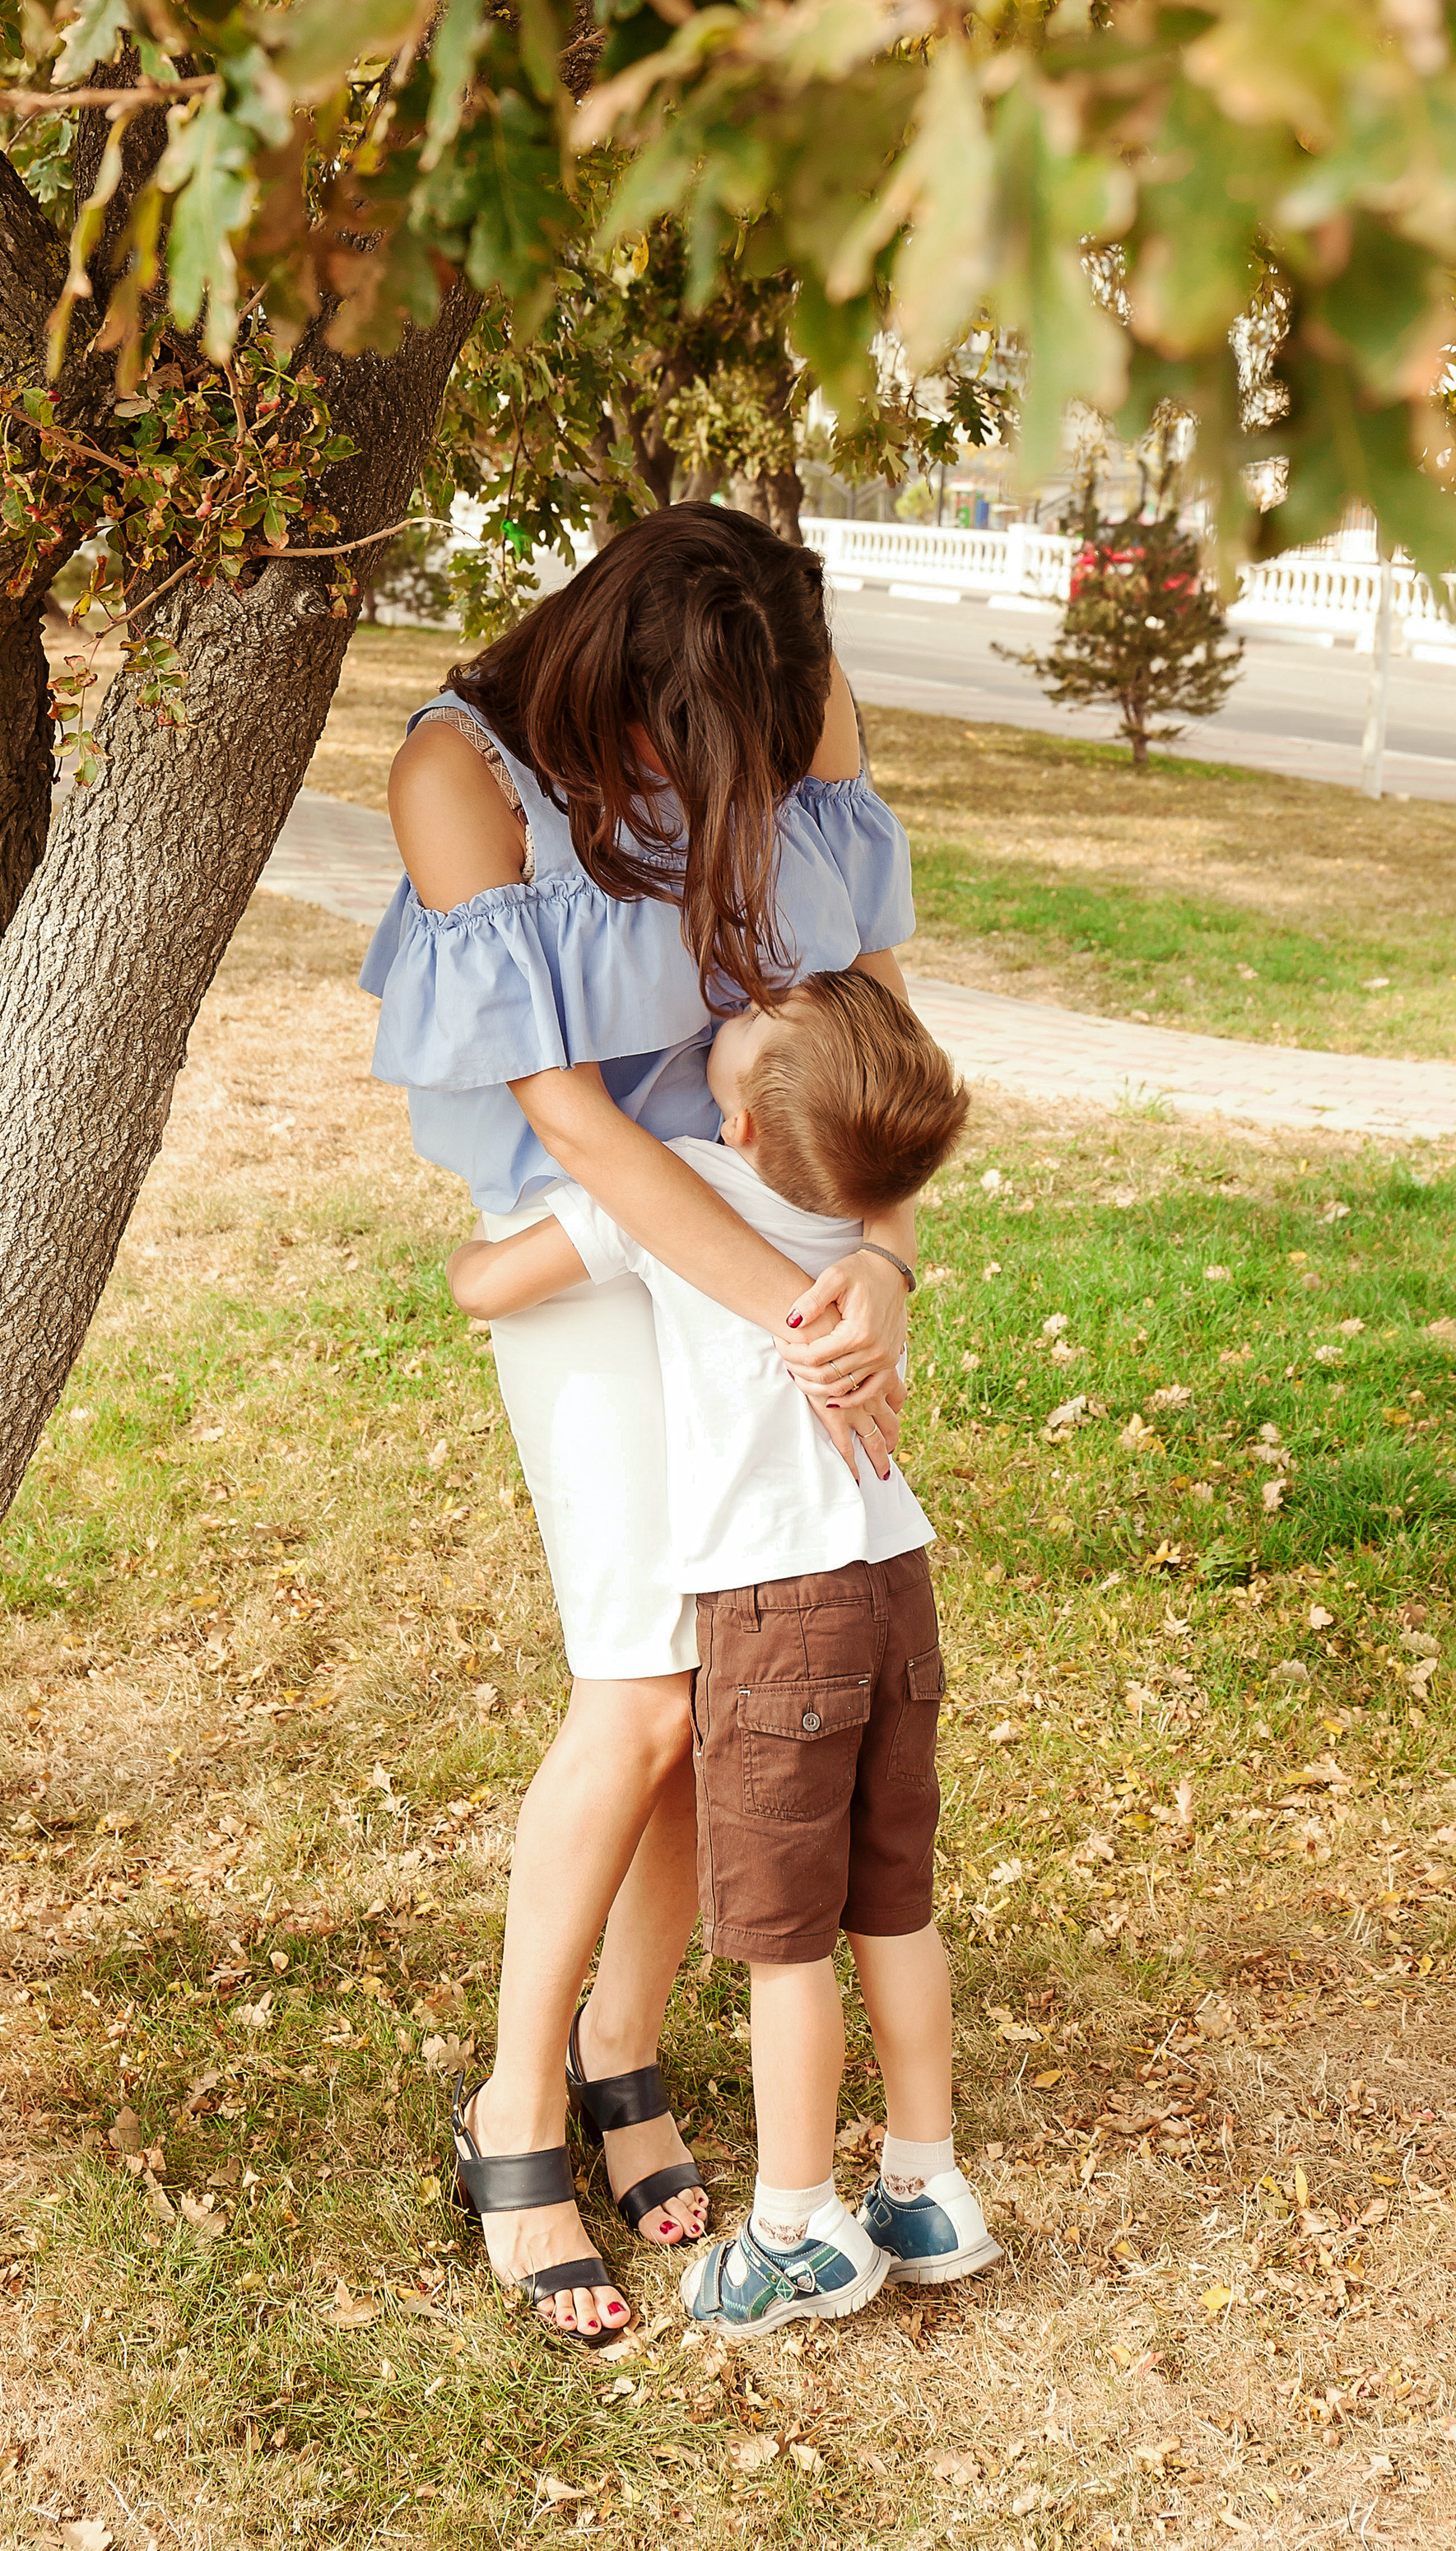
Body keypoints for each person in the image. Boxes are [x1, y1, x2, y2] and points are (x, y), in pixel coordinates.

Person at [363, 507, 919, 2347]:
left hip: (786, 1239)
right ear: (626, 682)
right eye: (706, 747)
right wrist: (796, 1317)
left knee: (732, 1667)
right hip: (603, 1261)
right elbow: (585, 1130)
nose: (745, 779)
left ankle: (621, 2053)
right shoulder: (464, 777)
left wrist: (878, 1271)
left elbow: (869, 1034)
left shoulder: (794, 696)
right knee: (645, 1683)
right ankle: (514, 2111)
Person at [447, 968, 1000, 2338]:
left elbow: (486, 1285)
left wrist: (486, 1244)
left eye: (754, 1021)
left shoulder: (678, 1188)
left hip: (776, 1614)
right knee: (896, 1907)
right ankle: (927, 2187)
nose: (733, 1003)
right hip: (896, 1586)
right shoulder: (854, 1228)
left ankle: (798, 2230)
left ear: (746, 1123)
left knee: (786, 1947)